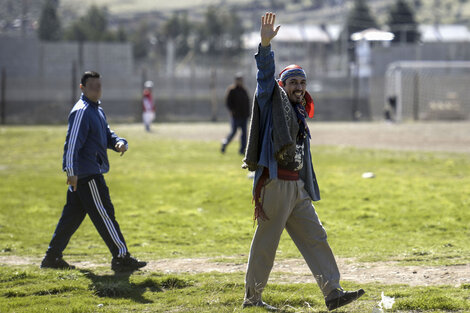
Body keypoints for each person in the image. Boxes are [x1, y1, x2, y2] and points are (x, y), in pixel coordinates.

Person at [241, 13, 365, 311]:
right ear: (282, 85)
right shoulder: (273, 99)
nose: (298, 86)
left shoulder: (298, 113)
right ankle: (252, 299)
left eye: (302, 82)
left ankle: (333, 292)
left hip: (296, 187)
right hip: (275, 185)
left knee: (316, 237)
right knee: (266, 246)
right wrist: (266, 45)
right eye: (292, 82)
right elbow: (264, 77)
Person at [41, 71, 147, 272]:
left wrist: (118, 142)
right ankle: (121, 257)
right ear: (82, 88)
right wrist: (71, 171)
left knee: (71, 217)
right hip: (86, 175)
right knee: (105, 214)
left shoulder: (96, 109)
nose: (97, 89)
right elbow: (71, 145)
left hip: (87, 172)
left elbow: (107, 133)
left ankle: (52, 258)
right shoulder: (82, 110)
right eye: (93, 86)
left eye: (99, 85)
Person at [221, 73, 250, 155]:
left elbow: (247, 103)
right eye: (239, 80)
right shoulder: (232, 90)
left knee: (244, 134)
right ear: (236, 81)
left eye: (241, 80)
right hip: (236, 116)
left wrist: (248, 113)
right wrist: (232, 110)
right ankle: (225, 144)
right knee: (233, 132)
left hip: (244, 116)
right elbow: (228, 102)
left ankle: (242, 150)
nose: (240, 82)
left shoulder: (244, 90)